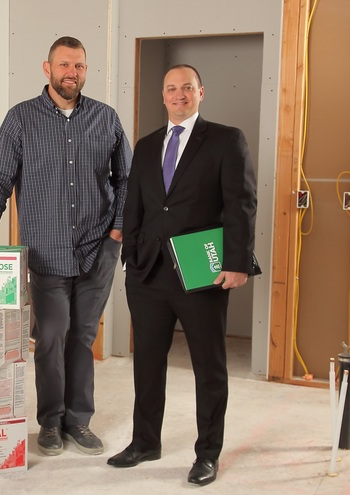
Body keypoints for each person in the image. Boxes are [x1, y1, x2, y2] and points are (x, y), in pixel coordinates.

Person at [0, 36, 131, 457]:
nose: (72, 72)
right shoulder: (21, 120)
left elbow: (128, 178)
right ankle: (50, 422)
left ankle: (78, 421)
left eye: (80, 66)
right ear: (47, 68)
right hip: (47, 251)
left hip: (98, 249)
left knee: (83, 337)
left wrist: (118, 231)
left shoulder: (106, 119)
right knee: (52, 336)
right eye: (65, 65)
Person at [108, 64, 257, 486]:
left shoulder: (227, 140)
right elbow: (135, 203)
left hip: (200, 273)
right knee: (148, 364)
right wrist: (129, 257)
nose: (179, 95)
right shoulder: (148, 143)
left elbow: (241, 203)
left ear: (201, 92)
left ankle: (207, 453)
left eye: (186, 88)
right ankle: (144, 442)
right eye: (171, 89)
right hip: (148, 274)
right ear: (163, 95)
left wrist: (238, 262)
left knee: (209, 367)